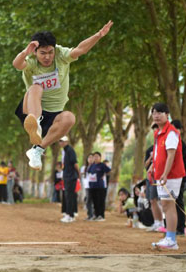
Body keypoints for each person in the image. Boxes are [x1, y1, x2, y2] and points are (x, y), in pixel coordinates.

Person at [12, 23, 113, 170]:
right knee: (35, 88)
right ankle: (35, 124)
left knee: (70, 118)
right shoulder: (31, 61)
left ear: (55, 49)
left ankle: (37, 150)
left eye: (50, 52)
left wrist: (99, 35)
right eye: (43, 53)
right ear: (35, 52)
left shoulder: (61, 55)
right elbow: (17, 64)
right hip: (30, 109)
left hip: (53, 114)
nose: (47, 57)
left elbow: (80, 49)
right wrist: (25, 52)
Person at [150, 103, 186, 250]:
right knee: (165, 205)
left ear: (167, 115)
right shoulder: (158, 133)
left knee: (169, 205)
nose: (156, 116)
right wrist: (152, 168)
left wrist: (165, 173)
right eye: (154, 113)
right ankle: (169, 237)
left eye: (160, 113)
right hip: (161, 175)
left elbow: (171, 155)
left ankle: (171, 239)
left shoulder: (171, 132)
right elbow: (158, 154)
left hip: (171, 175)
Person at [143, 124, 164, 232]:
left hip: (159, 176)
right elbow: (145, 165)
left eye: (157, 131)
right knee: (151, 200)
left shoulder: (163, 146)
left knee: (159, 200)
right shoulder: (150, 149)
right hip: (150, 177)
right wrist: (151, 157)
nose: (155, 133)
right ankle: (156, 222)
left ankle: (162, 223)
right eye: (154, 132)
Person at [170, 120, 186, 237]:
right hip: (171, 177)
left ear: (180, 130)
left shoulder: (181, 144)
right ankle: (173, 226)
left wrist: (184, 179)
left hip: (180, 177)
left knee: (179, 202)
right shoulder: (170, 143)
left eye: (176, 129)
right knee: (170, 202)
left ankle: (181, 227)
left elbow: (183, 164)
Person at [60, 136, 79, 223]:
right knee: (67, 196)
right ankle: (69, 214)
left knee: (70, 196)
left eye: (63, 141)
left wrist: (78, 174)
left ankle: (70, 215)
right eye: (60, 141)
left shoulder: (70, 150)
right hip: (67, 176)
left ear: (67, 142)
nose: (61, 143)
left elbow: (75, 163)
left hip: (71, 176)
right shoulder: (64, 151)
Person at [87, 153, 111, 221]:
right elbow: (89, 172)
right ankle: (96, 215)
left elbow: (109, 171)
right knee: (95, 202)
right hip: (92, 186)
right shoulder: (92, 165)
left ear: (100, 158)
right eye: (94, 156)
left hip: (100, 186)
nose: (95, 158)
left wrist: (104, 175)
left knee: (100, 201)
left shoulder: (102, 165)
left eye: (97, 156)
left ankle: (101, 216)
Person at [80, 154, 94, 219]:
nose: (90, 159)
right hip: (86, 186)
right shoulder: (84, 168)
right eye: (89, 158)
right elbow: (81, 175)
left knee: (89, 200)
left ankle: (92, 215)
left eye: (92, 158)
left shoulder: (95, 167)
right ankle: (90, 215)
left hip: (94, 186)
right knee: (87, 200)